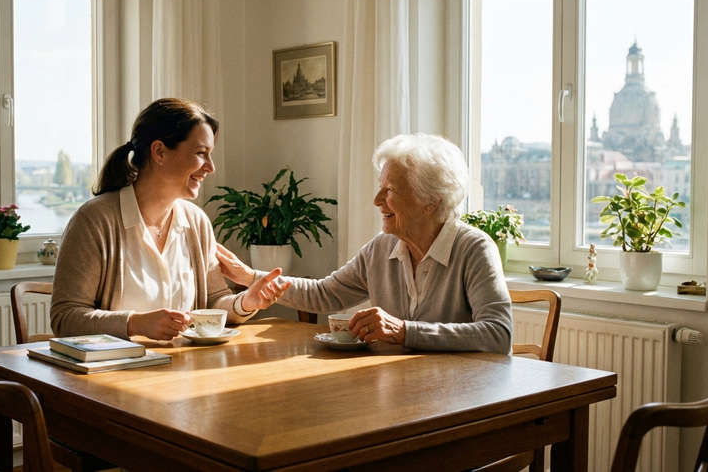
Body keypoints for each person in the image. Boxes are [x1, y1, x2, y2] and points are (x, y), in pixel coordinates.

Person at [217, 133, 512, 353]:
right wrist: (249, 277)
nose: (376, 200)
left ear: (430, 202)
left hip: (461, 398)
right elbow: (325, 294)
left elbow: (498, 334)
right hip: (400, 388)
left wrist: (404, 331)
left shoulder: (474, 249)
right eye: (379, 188)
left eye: (390, 190)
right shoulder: (382, 249)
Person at [51, 98, 289, 340]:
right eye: (200, 153)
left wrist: (246, 302)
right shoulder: (93, 221)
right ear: (159, 152)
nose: (210, 167)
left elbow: (213, 301)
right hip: (114, 374)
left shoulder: (196, 222)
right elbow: (65, 318)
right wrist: (134, 323)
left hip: (184, 372)